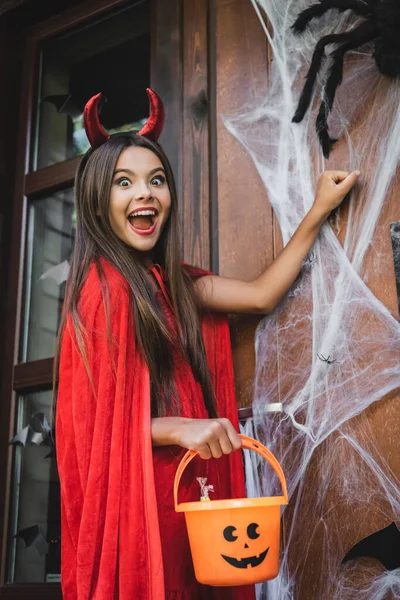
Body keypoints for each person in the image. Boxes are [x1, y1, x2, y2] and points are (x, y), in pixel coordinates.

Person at [55, 88, 360, 600]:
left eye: (156, 181)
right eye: (123, 183)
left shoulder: (178, 284)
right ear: (96, 200)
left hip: (195, 493)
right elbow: (88, 428)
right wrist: (179, 427)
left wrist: (320, 209)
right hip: (143, 504)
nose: (144, 194)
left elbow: (261, 295)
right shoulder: (99, 293)